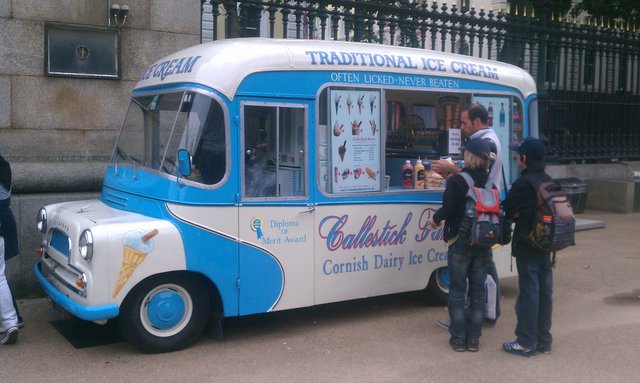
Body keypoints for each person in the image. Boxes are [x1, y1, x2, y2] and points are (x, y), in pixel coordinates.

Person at [432, 103, 502, 329]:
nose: (461, 127)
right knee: (483, 269)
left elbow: (475, 175)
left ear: (477, 122)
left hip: (477, 215)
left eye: (464, 123)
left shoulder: (487, 143)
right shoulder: (487, 139)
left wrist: (452, 171)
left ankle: (462, 324)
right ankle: (483, 317)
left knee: (465, 279)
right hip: (482, 214)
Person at [427, 138, 493, 352]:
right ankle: (474, 339)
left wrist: (434, 221)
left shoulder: (457, 181)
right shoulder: (490, 182)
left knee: (457, 290)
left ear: (468, 156)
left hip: (460, 243)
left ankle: (458, 338)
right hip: (483, 243)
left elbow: (447, 209)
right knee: (477, 291)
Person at [501, 137, 553, 358]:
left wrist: (517, 214)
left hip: (527, 243)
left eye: (518, 155)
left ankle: (525, 342)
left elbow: (507, 208)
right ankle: (543, 340)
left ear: (523, 158)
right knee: (544, 293)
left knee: (529, 294)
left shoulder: (523, 184)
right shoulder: (549, 181)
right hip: (546, 244)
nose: (516, 157)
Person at [0, 154, 19, 345]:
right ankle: (12, 320)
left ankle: (11, 320)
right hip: (4, 225)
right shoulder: (4, 168)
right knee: (0, 277)